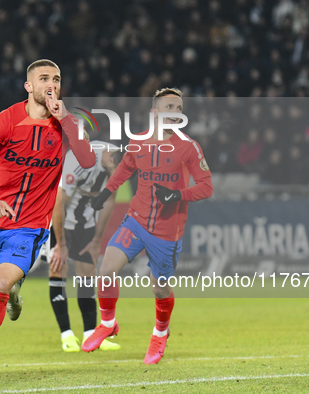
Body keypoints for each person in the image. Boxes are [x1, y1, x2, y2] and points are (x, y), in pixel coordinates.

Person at [0, 59, 95, 386]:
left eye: (56, 79)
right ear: (29, 86)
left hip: (29, 226)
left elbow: (87, 159)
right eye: (44, 79)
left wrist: (66, 118)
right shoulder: (7, 120)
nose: (51, 85)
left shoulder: (66, 124)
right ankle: (14, 295)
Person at [82, 88, 213, 364]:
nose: (176, 113)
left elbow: (206, 187)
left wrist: (178, 194)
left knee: (159, 290)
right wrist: (106, 193)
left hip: (167, 231)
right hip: (136, 221)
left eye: (179, 108)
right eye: (170, 107)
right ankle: (107, 324)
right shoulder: (138, 141)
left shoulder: (189, 146)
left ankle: (160, 332)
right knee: (106, 270)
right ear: (155, 113)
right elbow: (125, 168)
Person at [45, 142, 123, 352]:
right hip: (59, 221)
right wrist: (60, 245)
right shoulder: (79, 162)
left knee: (88, 274)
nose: (114, 160)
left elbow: (108, 204)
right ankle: (66, 334)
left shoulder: (114, 170)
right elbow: (59, 203)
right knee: (58, 269)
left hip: (85, 225)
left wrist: (97, 240)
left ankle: (91, 334)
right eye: (112, 156)